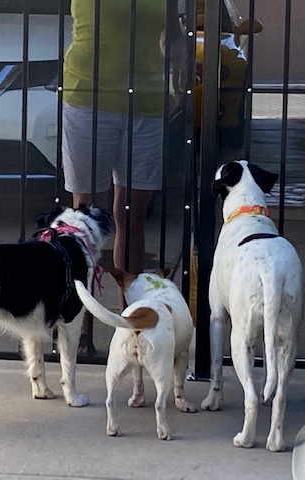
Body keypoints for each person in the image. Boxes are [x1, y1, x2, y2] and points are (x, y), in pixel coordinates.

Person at [61, 0, 186, 354]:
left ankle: (130, 323)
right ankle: (81, 325)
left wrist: (180, 57)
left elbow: (172, 34)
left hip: (146, 101)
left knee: (132, 215)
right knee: (87, 218)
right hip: (88, 96)